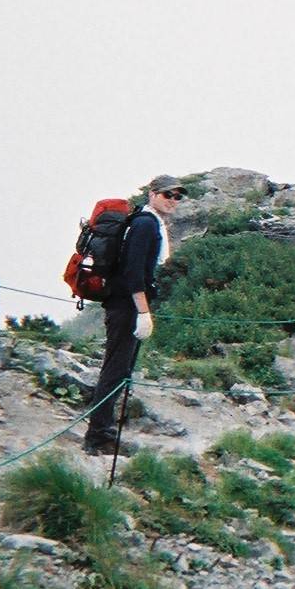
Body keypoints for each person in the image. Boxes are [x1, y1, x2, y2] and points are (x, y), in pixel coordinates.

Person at [84, 175, 181, 455]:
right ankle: (98, 437)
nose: (173, 200)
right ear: (153, 194)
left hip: (122, 304)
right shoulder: (146, 225)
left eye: (177, 196)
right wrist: (143, 312)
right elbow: (133, 272)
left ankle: (103, 432)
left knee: (118, 368)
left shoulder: (144, 220)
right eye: (167, 195)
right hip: (127, 306)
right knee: (116, 370)